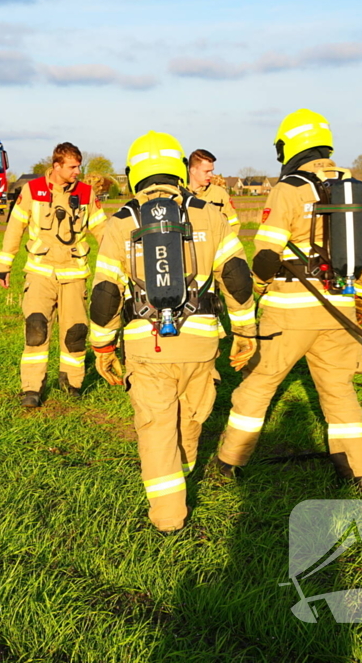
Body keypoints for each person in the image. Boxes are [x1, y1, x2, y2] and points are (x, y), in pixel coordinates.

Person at [89, 131, 257, 534]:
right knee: (191, 419)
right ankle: (184, 475)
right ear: (179, 170)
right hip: (201, 345)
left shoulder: (121, 222)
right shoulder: (210, 214)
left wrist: (102, 346)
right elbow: (236, 278)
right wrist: (246, 331)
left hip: (148, 347)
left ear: (134, 175)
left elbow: (105, 294)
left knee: (156, 427)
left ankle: (168, 518)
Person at [215, 109, 362, 491]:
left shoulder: (288, 188)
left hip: (289, 309)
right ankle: (359, 472)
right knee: (339, 391)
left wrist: (257, 289)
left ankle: (229, 462)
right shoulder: (355, 186)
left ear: (289, 146)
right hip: (339, 307)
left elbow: (266, 256)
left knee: (257, 384)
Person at [0, 142, 107, 408]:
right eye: (72, 167)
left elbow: (103, 231)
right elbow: (14, 228)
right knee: (36, 330)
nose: (77, 172)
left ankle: (72, 383)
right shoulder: (32, 191)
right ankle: (32, 389)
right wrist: (4, 264)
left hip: (74, 275)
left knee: (75, 333)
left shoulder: (86, 193)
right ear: (56, 166)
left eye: (79, 166)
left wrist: (122, 261)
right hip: (39, 275)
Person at [187, 149, 239, 238]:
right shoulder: (178, 194)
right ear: (193, 170)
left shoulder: (220, 194)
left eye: (212, 171)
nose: (211, 175)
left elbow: (233, 225)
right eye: (206, 171)